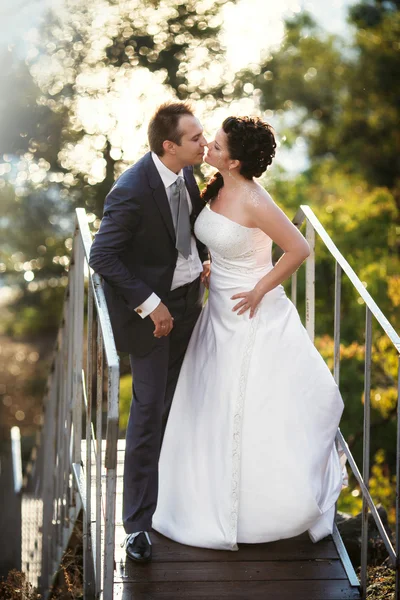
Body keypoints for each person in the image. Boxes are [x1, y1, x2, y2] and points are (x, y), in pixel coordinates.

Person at [152, 116, 345, 550]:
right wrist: (210, 265)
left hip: (249, 312)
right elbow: (219, 240)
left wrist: (259, 288)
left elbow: (299, 248)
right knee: (208, 402)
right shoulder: (216, 186)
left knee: (244, 404)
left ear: (235, 160)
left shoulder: (256, 201)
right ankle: (197, 493)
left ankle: (253, 505)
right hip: (216, 308)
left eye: (216, 146)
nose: (208, 149)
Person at [89, 102, 209, 563]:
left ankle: (177, 503)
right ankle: (137, 525)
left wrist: (205, 258)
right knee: (148, 411)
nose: (204, 141)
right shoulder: (132, 189)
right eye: (195, 137)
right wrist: (149, 302)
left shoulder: (186, 172)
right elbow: (103, 255)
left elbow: (188, 228)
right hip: (152, 319)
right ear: (169, 145)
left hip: (190, 306)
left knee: (181, 406)